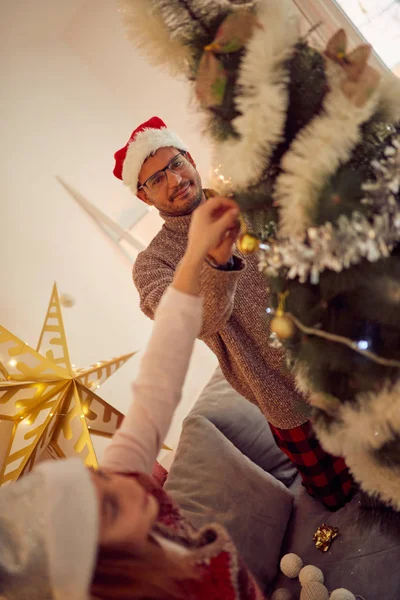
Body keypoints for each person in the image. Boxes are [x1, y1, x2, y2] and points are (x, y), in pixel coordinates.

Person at [0, 197, 283, 600]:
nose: (132, 486)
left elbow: (159, 378)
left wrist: (195, 257)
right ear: (103, 575)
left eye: (96, 476)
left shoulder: (123, 479)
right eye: (112, 509)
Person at [113, 116, 353, 510]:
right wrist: (214, 261)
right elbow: (191, 322)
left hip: (340, 353)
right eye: (155, 179)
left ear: (189, 158)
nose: (173, 180)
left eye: (175, 164)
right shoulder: (152, 263)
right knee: (339, 498)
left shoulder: (248, 197)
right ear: (144, 197)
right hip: (283, 394)